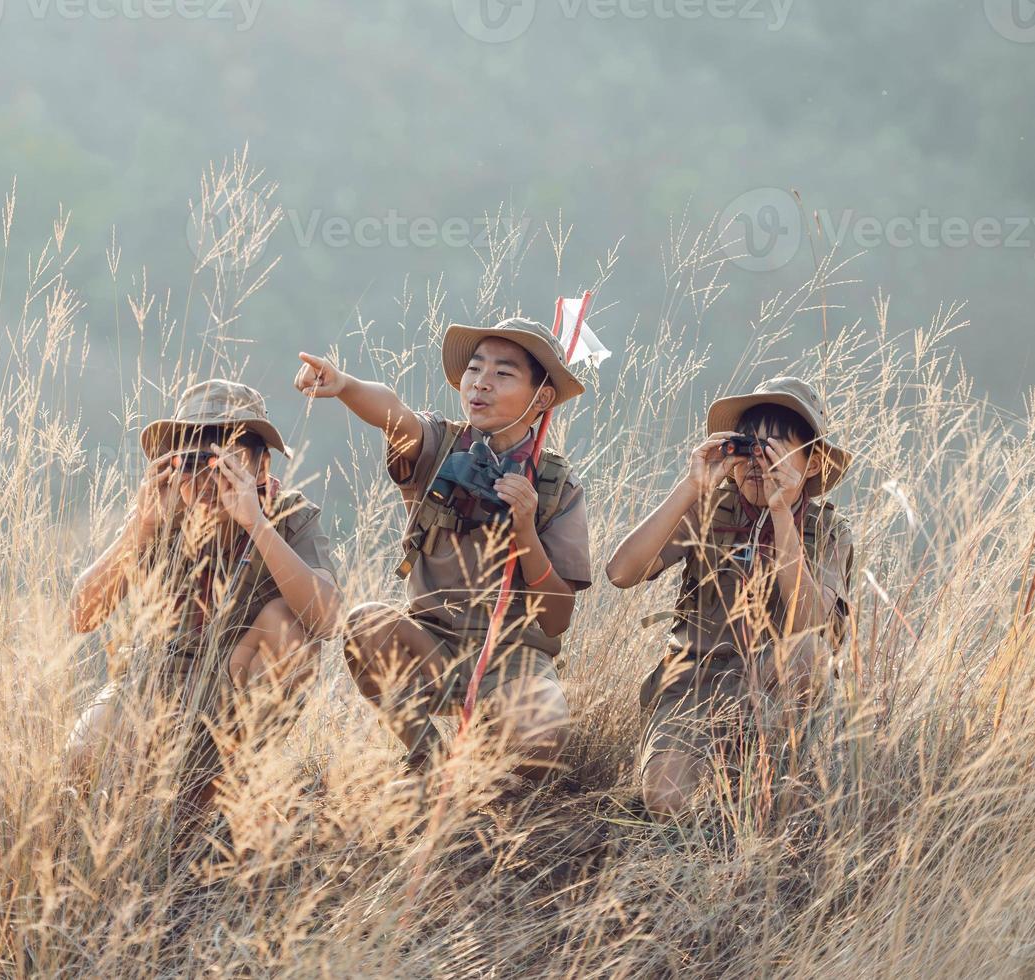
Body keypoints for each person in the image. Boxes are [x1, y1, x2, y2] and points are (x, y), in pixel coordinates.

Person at [294, 317, 592, 782]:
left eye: (503, 373)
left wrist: (526, 533)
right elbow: (393, 413)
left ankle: (491, 771)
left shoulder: (557, 486)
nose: (481, 383)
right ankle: (429, 760)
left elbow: (556, 619)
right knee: (366, 623)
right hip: (432, 642)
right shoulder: (439, 445)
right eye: (475, 369)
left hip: (514, 658)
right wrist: (345, 385)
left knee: (541, 739)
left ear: (543, 398)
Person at [67, 379, 341, 805]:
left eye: (225, 463)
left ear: (261, 467)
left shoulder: (286, 516)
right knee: (79, 759)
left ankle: (222, 791)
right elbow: (81, 616)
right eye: (192, 462)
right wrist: (139, 531)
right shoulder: (161, 513)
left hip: (235, 682)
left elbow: (326, 619)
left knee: (284, 626)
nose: (207, 479)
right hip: (157, 678)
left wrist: (257, 524)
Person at [605, 377, 855, 819]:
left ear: (813, 463)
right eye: (748, 448)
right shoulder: (709, 509)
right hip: (692, 682)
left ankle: (768, 785)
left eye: (775, 449)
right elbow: (622, 572)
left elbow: (812, 628)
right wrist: (691, 487)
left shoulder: (826, 529)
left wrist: (780, 513)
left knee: (807, 654)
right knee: (666, 803)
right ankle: (722, 782)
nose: (758, 462)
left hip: (769, 683)